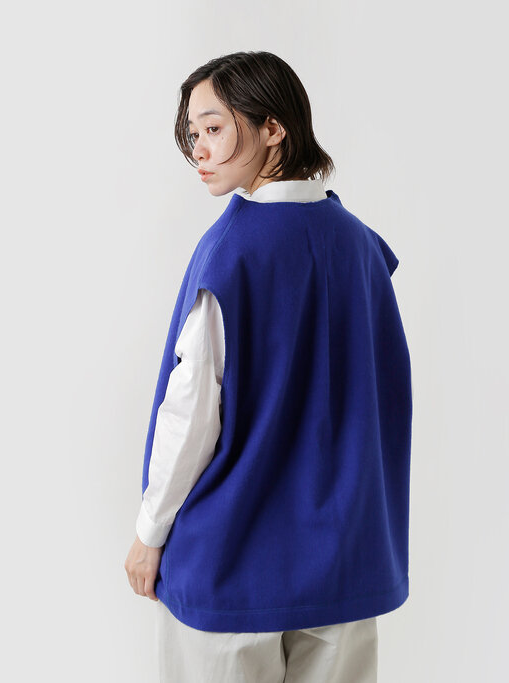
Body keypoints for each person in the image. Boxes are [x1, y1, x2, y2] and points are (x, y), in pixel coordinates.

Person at [124, 50, 413, 683]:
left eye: (214, 127)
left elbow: (191, 412)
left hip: (232, 565)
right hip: (347, 564)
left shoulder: (231, 253)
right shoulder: (362, 247)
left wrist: (149, 532)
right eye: (193, 133)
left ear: (274, 127)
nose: (199, 149)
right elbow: (383, 399)